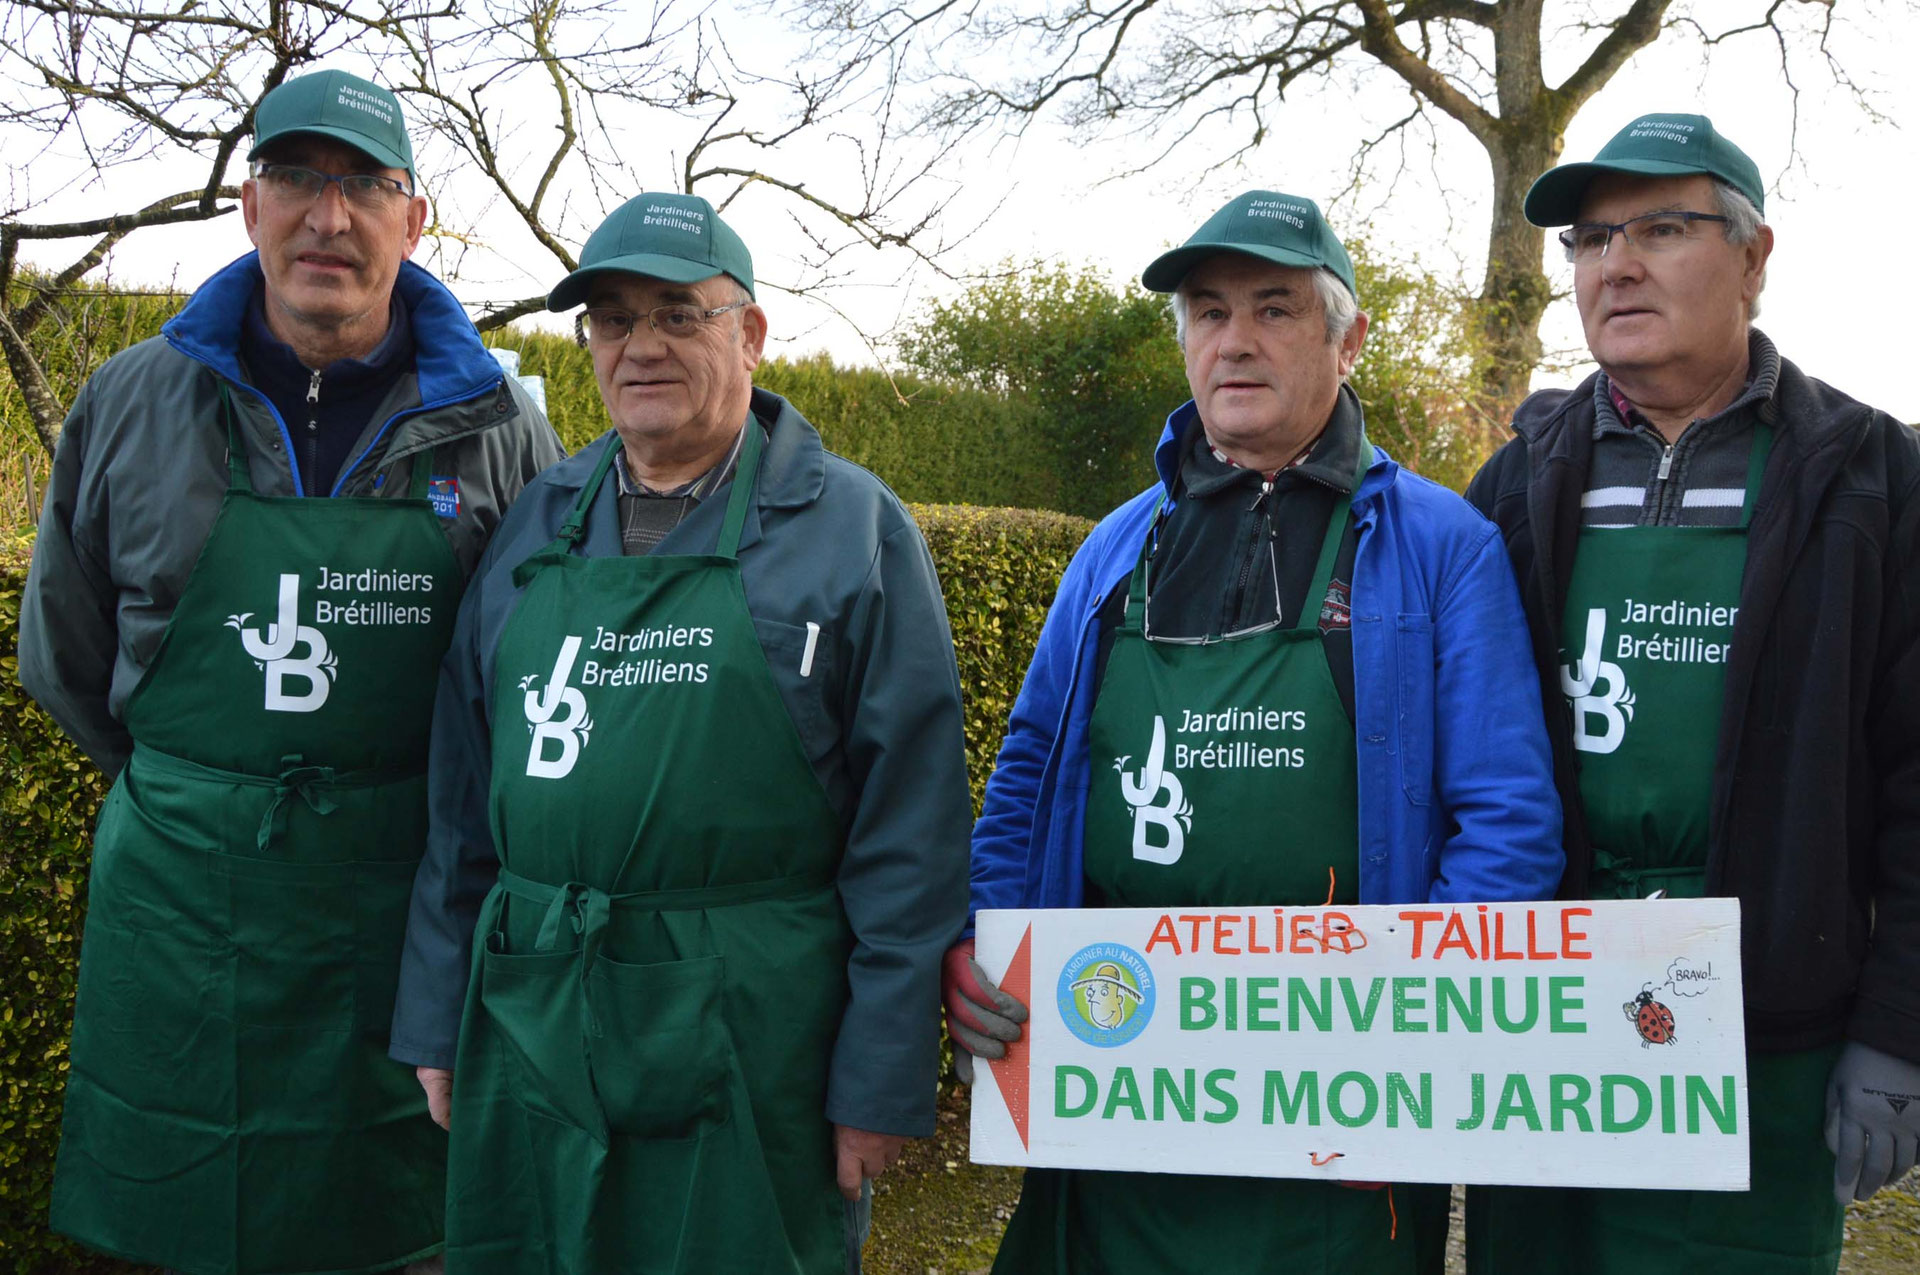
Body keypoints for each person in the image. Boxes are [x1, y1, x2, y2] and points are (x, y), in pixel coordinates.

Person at [944, 189, 1565, 1273]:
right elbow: (1030, 773)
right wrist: (989, 945)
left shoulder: (1438, 547)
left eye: (1274, 309)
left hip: (1340, 1095)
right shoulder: (1113, 550)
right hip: (1116, 1067)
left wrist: (1422, 1053)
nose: (1234, 341)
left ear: (1348, 335)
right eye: (1207, 310)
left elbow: (1505, 824)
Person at [19, 69, 563, 1275]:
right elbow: (64, 651)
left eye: (366, 184)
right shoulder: (131, 402)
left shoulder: (499, 426)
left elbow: (533, 674)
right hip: (183, 906)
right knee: (180, 1225)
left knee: (400, 1230)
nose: (331, 216)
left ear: (413, 219)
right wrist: (203, 785)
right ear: (251, 205)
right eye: (299, 179)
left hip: (400, 907)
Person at [389, 190, 972, 1273]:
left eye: (677, 314)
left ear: (749, 332)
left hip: (754, 1030)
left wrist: (883, 1073)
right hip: (536, 1011)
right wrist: (434, 1019)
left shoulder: (851, 528)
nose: (639, 346)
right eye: (611, 319)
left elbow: (915, 833)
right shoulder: (538, 517)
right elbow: (462, 801)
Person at [1462, 112, 1920, 1273]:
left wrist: (1897, 1031)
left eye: (1663, 228)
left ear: (1756, 256)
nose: (1615, 264)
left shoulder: (1875, 479)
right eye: (1591, 238)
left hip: (1768, 1045)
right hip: (1543, 1028)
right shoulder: (1512, 483)